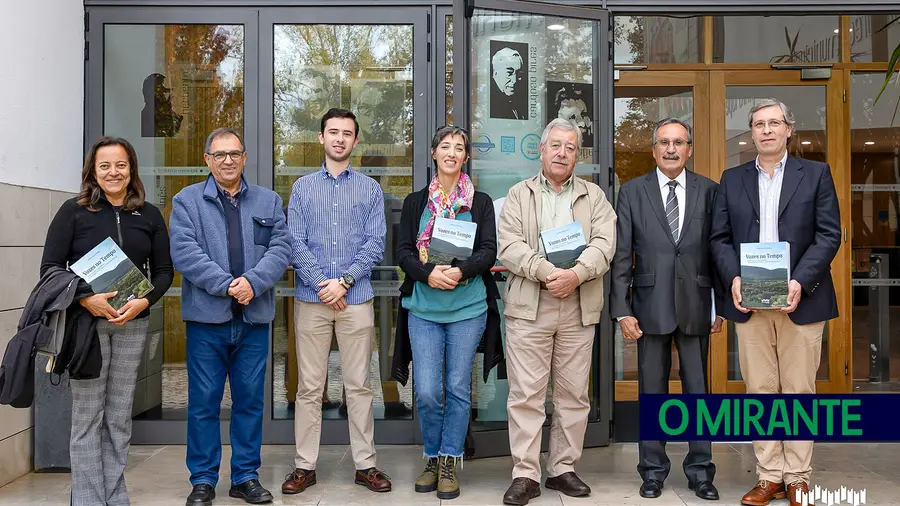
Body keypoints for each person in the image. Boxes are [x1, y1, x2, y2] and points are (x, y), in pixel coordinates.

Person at [709, 99, 841, 506]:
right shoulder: (732, 179)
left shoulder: (815, 174)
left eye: (774, 123)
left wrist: (800, 281)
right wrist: (733, 277)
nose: (766, 130)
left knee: (799, 390)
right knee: (760, 391)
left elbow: (828, 235)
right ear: (751, 133)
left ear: (788, 129)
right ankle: (769, 476)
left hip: (800, 300)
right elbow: (719, 238)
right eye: (758, 124)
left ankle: (798, 477)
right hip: (750, 302)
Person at [40, 136, 173, 506]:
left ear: (131, 169)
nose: (113, 172)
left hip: (133, 324)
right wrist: (86, 297)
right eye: (105, 166)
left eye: (120, 165)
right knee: (87, 417)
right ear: (92, 172)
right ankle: (86, 498)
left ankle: (114, 496)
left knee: (117, 418)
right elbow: (50, 269)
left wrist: (143, 302)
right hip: (86, 329)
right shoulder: (73, 212)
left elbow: (164, 271)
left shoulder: (148, 214)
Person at [497, 118, 616, 505]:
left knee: (573, 394)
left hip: (578, 304)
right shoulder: (518, 194)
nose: (562, 153)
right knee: (526, 394)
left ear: (577, 155)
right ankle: (526, 474)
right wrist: (550, 273)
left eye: (570, 147)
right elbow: (509, 245)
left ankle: (562, 469)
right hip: (531, 304)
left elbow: (605, 243)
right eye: (556, 146)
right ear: (542, 150)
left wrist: (576, 274)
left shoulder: (594, 196)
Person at [169, 127, 290, 506]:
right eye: (219, 154)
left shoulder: (268, 201)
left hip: (253, 319)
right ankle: (203, 480)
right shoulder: (186, 201)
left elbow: (281, 247)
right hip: (208, 320)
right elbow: (185, 253)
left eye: (234, 153)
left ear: (244, 157)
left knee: (250, 401)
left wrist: (253, 282)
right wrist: (227, 285)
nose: (227, 160)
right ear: (207, 159)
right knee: (204, 402)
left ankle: (245, 477)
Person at [609, 118, 723, 501]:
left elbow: (718, 251)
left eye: (679, 142)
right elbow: (622, 255)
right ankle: (653, 471)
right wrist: (622, 310)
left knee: (698, 392)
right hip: (649, 306)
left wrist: (719, 305)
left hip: (695, 304)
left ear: (689, 148)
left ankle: (700, 471)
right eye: (664, 142)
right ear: (653, 150)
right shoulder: (632, 192)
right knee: (652, 392)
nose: (671, 149)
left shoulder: (710, 191)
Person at [281, 108, 392, 495]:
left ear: (355, 141)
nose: (340, 138)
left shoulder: (370, 189)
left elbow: (375, 243)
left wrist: (342, 282)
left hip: (356, 298)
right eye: (333, 132)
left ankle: (366, 465)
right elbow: (294, 241)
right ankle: (304, 466)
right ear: (321, 138)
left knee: (359, 385)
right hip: (312, 301)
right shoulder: (302, 188)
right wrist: (321, 283)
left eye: (347, 133)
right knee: (310, 388)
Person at [391, 125, 504, 500]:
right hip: (423, 307)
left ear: (466, 157)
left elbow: (489, 250)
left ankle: (449, 461)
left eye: (459, 147)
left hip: (467, 307)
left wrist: (459, 271)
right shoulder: (415, 202)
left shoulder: (481, 203)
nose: (452, 152)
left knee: (457, 387)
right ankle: (431, 455)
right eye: (445, 146)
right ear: (434, 154)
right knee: (426, 391)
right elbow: (403, 252)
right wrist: (428, 274)